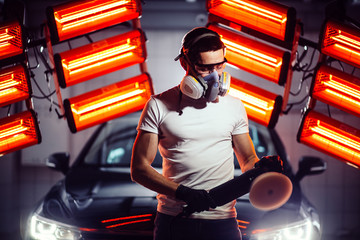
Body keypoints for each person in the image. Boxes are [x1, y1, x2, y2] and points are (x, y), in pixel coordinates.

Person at [130, 27, 259, 240]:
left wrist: (262, 170)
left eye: (220, 66)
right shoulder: (158, 105)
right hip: (175, 220)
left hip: (223, 221)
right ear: (185, 63)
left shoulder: (235, 107)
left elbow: (248, 159)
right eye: (205, 68)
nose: (215, 76)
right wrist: (183, 193)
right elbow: (139, 169)